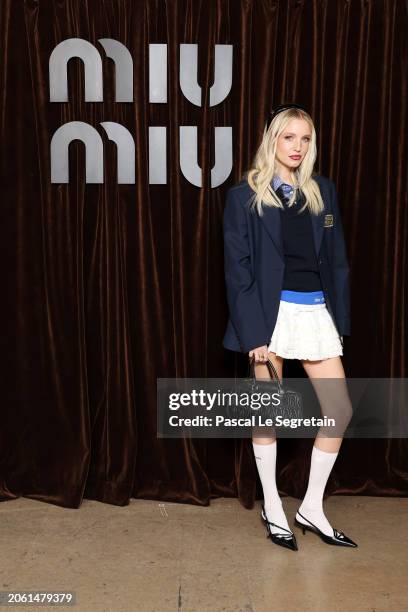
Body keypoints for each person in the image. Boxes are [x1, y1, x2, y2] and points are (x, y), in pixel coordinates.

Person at [222, 104, 357, 551]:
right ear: (272, 140)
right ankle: (273, 506)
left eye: (304, 139)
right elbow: (238, 270)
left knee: (338, 411)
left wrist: (338, 321)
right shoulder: (245, 195)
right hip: (269, 316)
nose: (297, 147)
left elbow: (336, 262)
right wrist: (253, 335)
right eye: (288, 137)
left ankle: (311, 507)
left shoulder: (323, 192)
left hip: (315, 312)